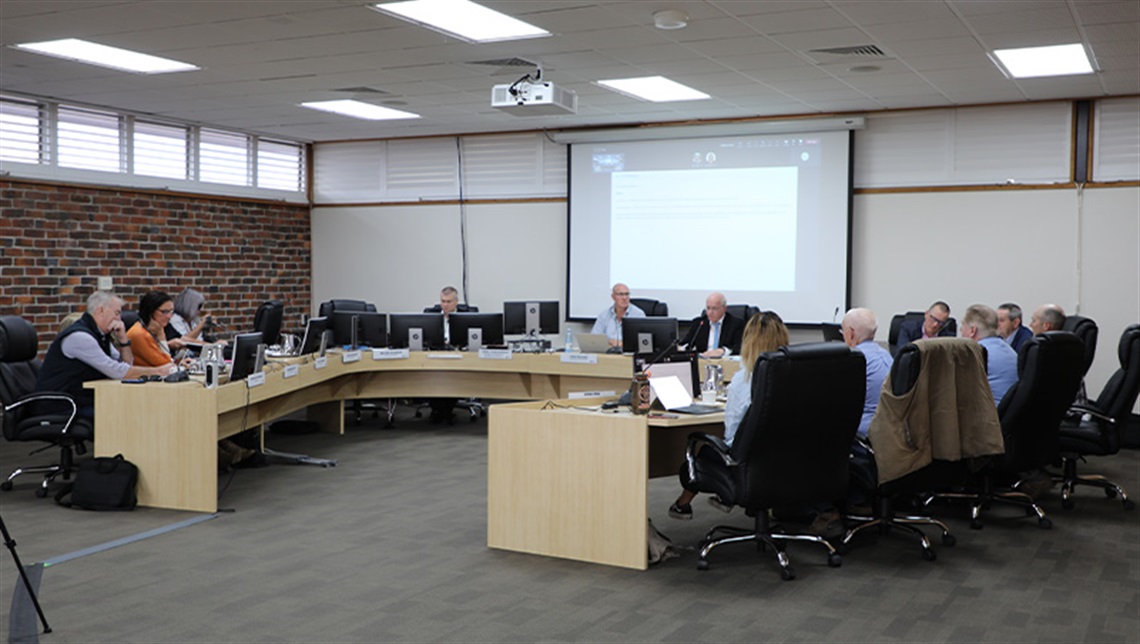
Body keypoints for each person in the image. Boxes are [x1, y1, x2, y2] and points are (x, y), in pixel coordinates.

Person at [668, 311, 789, 520]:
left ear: (748, 341)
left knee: (706, 450)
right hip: (787, 462)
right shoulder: (796, 374)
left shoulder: (744, 380)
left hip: (748, 464)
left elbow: (732, 432)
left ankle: (683, 504)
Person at [35, 291, 173, 419]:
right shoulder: (80, 337)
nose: (120, 319)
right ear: (100, 310)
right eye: (117, 313)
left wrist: (123, 340)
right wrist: (159, 371)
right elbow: (116, 372)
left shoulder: (100, 335)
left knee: (135, 407)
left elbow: (124, 366)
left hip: (80, 400)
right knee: (128, 412)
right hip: (60, 406)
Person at [842, 308, 893, 438]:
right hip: (891, 430)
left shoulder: (854, 360)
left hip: (864, 432)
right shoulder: (888, 356)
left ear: (851, 333)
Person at [960, 304, 1019, 406]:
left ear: (972, 331)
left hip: (989, 416)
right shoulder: (1010, 351)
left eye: (962, 326)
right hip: (1010, 415)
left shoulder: (976, 353)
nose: (960, 331)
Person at [126, 291, 193, 368]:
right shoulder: (140, 334)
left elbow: (166, 361)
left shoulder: (148, 330)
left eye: (171, 312)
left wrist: (179, 363)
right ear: (150, 312)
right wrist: (161, 335)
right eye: (164, 312)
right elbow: (168, 367)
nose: (169, 316)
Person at [683, 292, 744, 358]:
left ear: (724, 309)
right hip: (703, 362)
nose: (710, 312)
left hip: (724, 362)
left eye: (714, 308)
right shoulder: (699, 323)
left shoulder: (736, 324)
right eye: (708, 308)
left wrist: (723, 351)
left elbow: (740, 347)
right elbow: (686, 343)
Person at [591, 283, 645, 348]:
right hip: (608, 352)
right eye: (620, 294)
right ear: (613, 297)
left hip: (628, 352)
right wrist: (609, 342)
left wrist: (624, 343)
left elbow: (643, 340)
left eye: (627, 294)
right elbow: (594, 338)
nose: (624, 298)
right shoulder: (604, 315)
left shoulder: (638, 314)